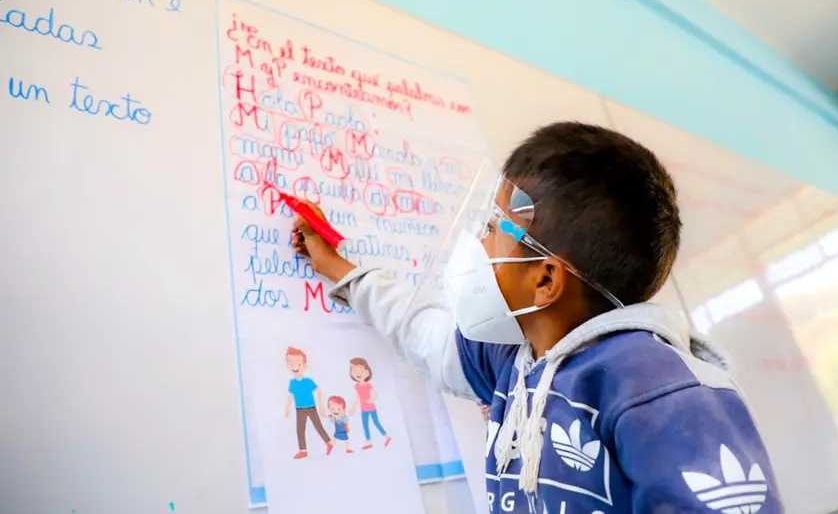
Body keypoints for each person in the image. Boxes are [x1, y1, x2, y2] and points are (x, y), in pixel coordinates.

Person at [293, 122, 784, 513]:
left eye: (492, 227)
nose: (480, 242)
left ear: (546, 280)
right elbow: (425, 334)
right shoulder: (516, 362)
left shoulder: (655, 388)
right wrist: (344, 272)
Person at [284, 347, 334, 459]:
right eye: (290, 364)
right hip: (299, 409)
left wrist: (321, 407)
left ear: (304, 365)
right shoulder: (292, 383)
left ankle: (329, 442)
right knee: (300, 429)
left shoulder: (308, 381)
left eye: (298, 364)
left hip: (311, 407)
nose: (294, 367)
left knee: (318, 426)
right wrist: (288, 407)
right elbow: (291, 396)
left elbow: (319, 392)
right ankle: (303, 450)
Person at [348, 357, 392, 449]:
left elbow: (375, 394)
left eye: (360, 371)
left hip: (371, 408)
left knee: (376, 423)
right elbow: (357, 398)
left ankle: (387, 436)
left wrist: (371, 399)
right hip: (363, 409)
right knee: (365, 425)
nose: (357, 374)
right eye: (354, 371)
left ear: (367, 372)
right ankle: (369, 442)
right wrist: (353, 408)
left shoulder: (369, 385)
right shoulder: (356, 386)